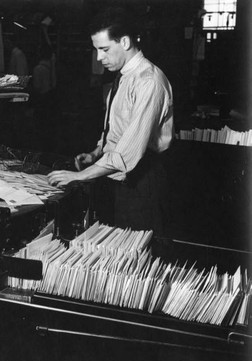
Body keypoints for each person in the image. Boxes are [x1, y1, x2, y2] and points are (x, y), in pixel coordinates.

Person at [47, 7, 174, 234]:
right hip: (120, 177)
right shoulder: (125, 76)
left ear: (124, 42)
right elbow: (119, 127)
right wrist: (98, 151)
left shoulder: (149, 81)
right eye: (97, 50)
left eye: (104, 49)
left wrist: (79, 176)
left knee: (137, 255)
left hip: (143, 180)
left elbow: (128, 153)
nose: (99, 57)